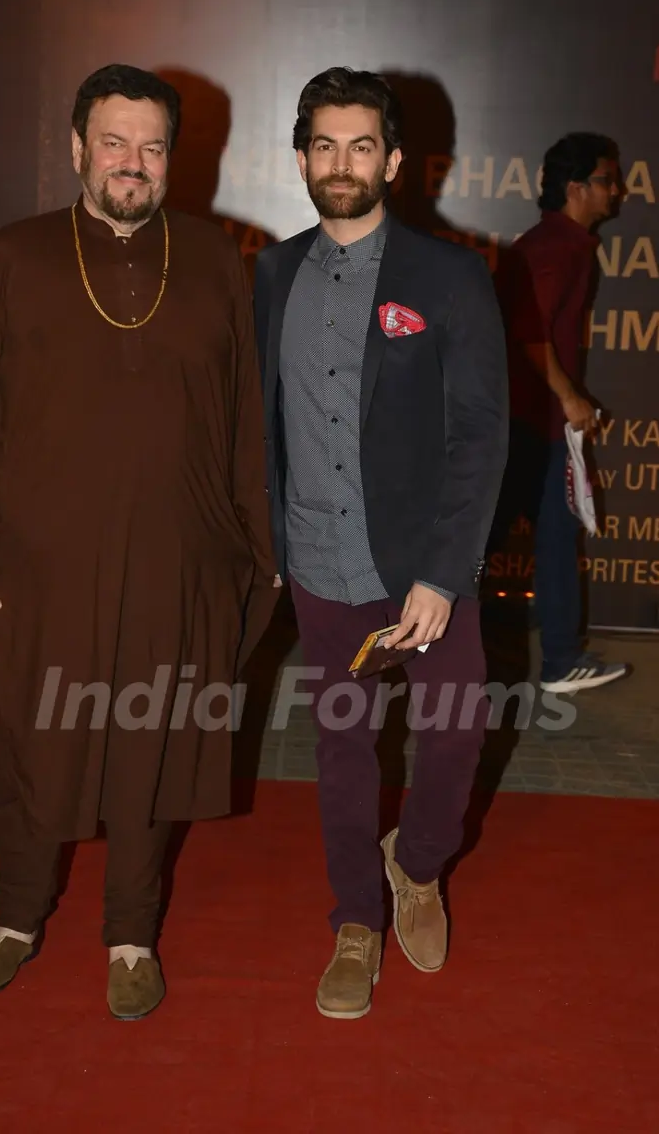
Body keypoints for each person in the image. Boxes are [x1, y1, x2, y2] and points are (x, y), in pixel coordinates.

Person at [0, 64, 279, 1020]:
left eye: (153, 146)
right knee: (32, 743)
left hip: (180, 560)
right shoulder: (16, 255)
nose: (134, 162)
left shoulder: (213, 261)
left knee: (150, 745)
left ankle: (131, 934)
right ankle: (15, 921)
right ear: (78, 148)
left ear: (174, 159)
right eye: (114, 142)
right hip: (39, 565)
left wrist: (261, 544)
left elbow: (250, 414)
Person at [255, 67, 509, 1019]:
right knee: (343, 751)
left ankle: (418, 864)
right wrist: (267, 540)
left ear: (394, 160)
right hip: (321, 569)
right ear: (302, 158)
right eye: (324, 145)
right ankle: (356, 922)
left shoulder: (451, 275)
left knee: (451, 740)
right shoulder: (272, 273)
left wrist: (445, 574)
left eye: (361, 146)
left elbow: (481, 432)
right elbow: (261, 424)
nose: (342, 163)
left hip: (422, 572)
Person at [492, 132, 628, 693]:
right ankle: (560, 659)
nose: (617, 191)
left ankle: (561, 657)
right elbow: (527, 332)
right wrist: (570, 397)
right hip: (529, 422)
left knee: (542, 534)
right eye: (606, 180)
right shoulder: (557, 247)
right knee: (542, 536)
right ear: (577, 188)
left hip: (524, 420)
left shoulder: (559, 244)